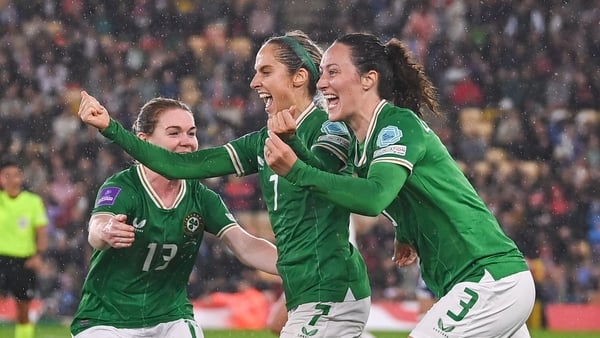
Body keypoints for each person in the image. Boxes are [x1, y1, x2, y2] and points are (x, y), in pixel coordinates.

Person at [77, 30, 372, 337]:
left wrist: (294, 145)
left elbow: (326, 176)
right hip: (308, 288)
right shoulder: (263, 141)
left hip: (332, 286)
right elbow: (181, 166)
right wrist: (110, 128)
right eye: (174, 132)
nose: (254, 82)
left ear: (298, 78)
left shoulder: (330, 128)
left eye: (265, 71)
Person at [264, 32, 535, 338]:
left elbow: (374, 198)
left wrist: (296, 170)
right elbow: (412, 188)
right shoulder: (363, 139)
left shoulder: (397, 126)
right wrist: (405, 228)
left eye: (333, 72)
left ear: (368, 79)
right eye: (322, 73)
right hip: (478, 284)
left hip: (488, 281)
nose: (322, 83)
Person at [70, 97, 278, 338]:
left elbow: (246, 246)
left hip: (171, 318)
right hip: (107, 318)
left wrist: (298, 266)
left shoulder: (202, 197)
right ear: (143, 140)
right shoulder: (124, 186)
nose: (186, 142)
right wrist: (106, 231)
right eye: (174, 133)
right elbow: (96, 229)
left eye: (191, 133)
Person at [0, 157, 48, 338]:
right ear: (1, 179)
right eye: (7, 176)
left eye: (16, 175)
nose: (12, 179)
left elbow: (41, 232)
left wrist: (38, 255)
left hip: (23, 261)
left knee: (23, 310)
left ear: (21, 178)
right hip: (1, 259)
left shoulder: (32, 202)